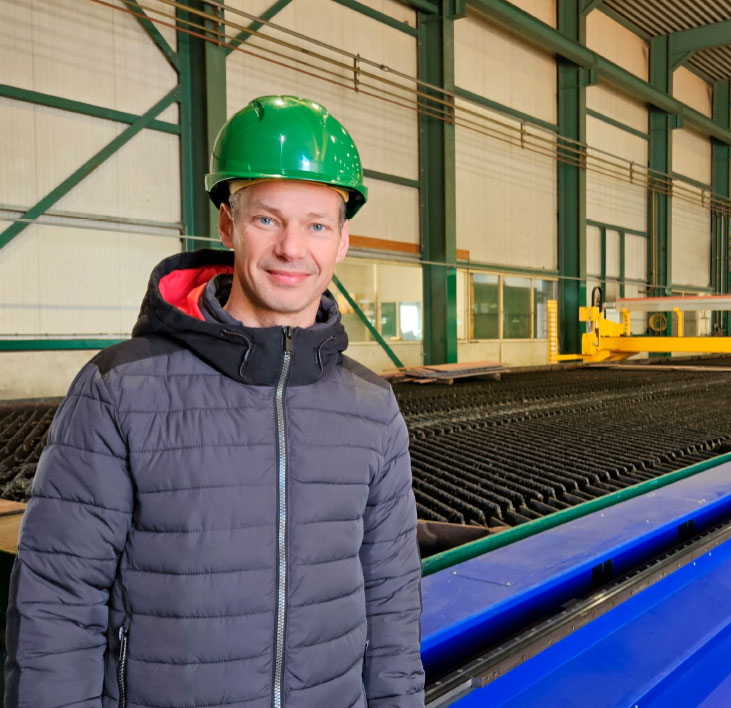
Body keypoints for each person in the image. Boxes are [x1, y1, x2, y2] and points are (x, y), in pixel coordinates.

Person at [5, 96, 424, 707]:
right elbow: (57, 603)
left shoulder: (371, 406)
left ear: (341, 242)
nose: (291, 248)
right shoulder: (120, 390)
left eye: (316, 224)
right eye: (267, 220)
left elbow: (391, 603)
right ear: (228, 225)